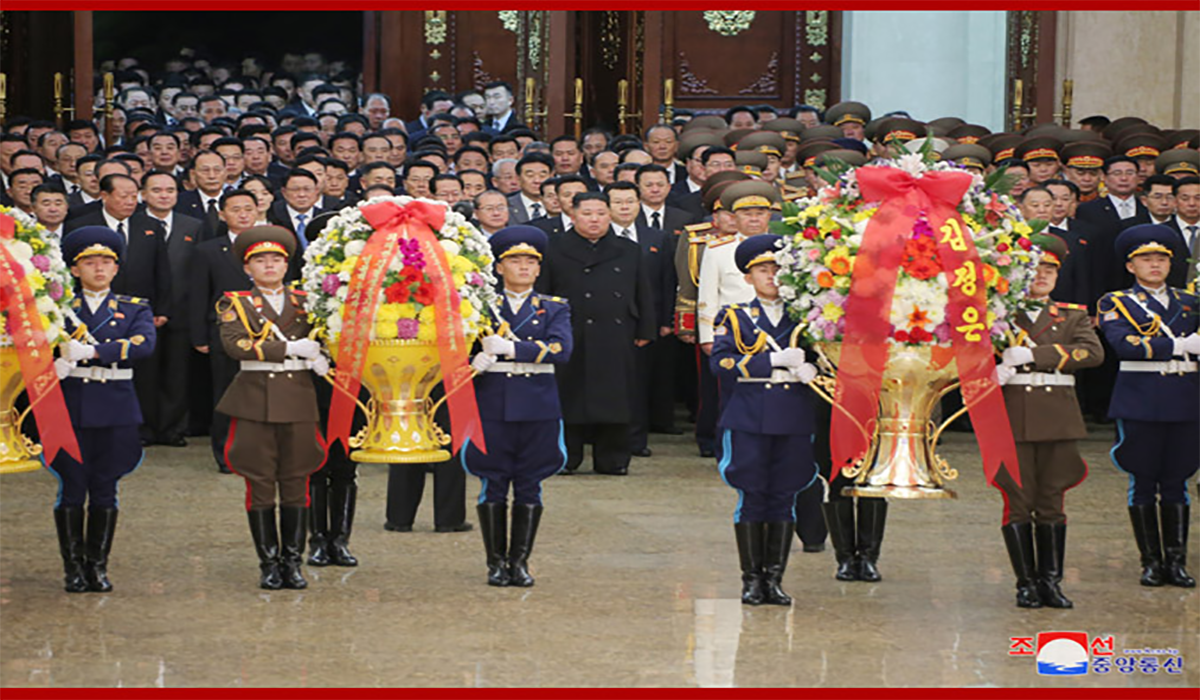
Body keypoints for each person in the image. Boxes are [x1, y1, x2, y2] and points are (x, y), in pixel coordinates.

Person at [993, 234, 1104, 608]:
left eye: (1049, 269)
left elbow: (1092, 353)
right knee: (1019, 499)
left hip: (1058, 417)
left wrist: (1034, 353)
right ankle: (1025, 583)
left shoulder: (1071, 315)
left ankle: (1051, 582)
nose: (1042, 275)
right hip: (1012, 417)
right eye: (1035, 267)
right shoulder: (998, 315)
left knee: (1053, 499)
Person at [215, 226, 327, 590]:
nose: (269, 266)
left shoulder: (307, 300)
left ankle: (293, 562)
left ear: (287, 264)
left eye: (276, 259)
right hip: (255, 399)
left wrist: (321, 356)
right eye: (260, 261)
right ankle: (268, 562)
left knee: (297, 481)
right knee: (260, 482)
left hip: (297, 398)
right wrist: (290, 349)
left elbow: (328, 336)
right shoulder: (235, 302)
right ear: (248, 269)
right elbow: (235, 345)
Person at [710, 234, 819, 606]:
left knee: (785, 496)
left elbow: (828, 359)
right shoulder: (734, 316)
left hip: (793, 416)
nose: (770, 276)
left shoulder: (807, 317)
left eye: (777, 269)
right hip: (750, 416)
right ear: (748, 277)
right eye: (762, 269)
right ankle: (751, 580)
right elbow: (721, 363)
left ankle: (774, 579)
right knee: (752, 495)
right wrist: (770, 361)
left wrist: (813, 369)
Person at [461, 226, 572, 586]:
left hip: (537, 403)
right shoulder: (478, 307)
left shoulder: (555, 308)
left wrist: (511, 349)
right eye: (514, 260)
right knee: (492, 482)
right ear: (498, 267)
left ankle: (520, 561)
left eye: (530, 261)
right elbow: (457, 351)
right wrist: (473, 360)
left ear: (539, 269)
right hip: (491, 402)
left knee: (530, 483)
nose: (523, 267)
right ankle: (495, 562)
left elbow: (562, 349)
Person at [51, 226, 157, 593]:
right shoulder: (59, 309)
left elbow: (143, 345)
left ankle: (97, 566)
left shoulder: (134, 307)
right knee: (72, 488)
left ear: (116, 269)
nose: (99, 269)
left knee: (105, 488)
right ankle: (73, 569)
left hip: (115, 406)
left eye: (106, 262)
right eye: (89, 262)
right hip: (71, 406)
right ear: (75, 270)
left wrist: (93, 352)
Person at [1098, 224, 1200, 589]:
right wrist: (1178, 346)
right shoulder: (1115, 302)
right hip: (1140, 397)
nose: (1154, 265)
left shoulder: (1191, 302)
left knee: (1177, 480)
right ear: (1130, 266)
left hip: (1186, 398)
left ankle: (1176, 562)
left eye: (1161, 259)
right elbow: (1124, 345)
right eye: (1145, 259)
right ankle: (1151, 562)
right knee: (1142, 480)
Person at [536, 191, 656, 475]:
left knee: (616, 397)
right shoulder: (554, 248)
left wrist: (645, 328)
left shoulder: (627, 248)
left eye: (601, 213)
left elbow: (643, 291)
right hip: (568, 332)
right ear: (573, 215)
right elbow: (543, 293)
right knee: (569, 397)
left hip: (616, 333)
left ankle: (613, 459)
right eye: (587, 213)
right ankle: (566, 457)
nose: (594, 219)